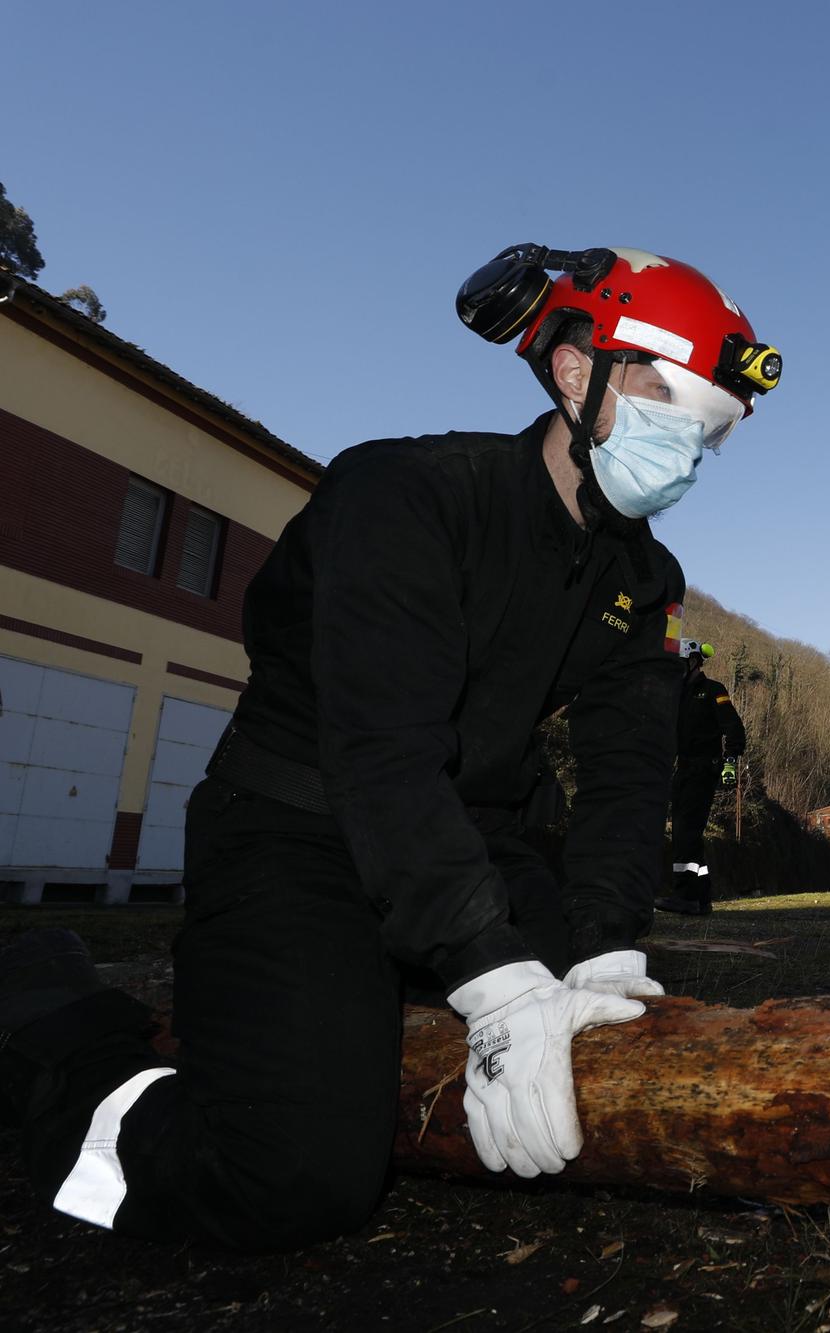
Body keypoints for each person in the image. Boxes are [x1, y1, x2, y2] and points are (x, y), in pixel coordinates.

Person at [0, 244, 780, 1250]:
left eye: (709, 430)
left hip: (464, 839)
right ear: (577, 372)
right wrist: (493, 983)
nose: (688, 443)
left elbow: (627, 775)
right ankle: (54, 1035)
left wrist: (601, 948)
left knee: (601, 1040)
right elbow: (379, 749)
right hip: (298, 828)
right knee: (296, 1174)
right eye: (672, 402)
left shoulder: (643, 578)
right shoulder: (403, 496)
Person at [660, 640, 746, 916]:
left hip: (703, 769)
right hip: (683, 768)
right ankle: (702, 897)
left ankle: (684, 896)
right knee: (691, 835)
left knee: (685, 832)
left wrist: (730, 760)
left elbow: (733, 728)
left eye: (680, 663)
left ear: (694, 662)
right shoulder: (676, 694)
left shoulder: (712, 691)